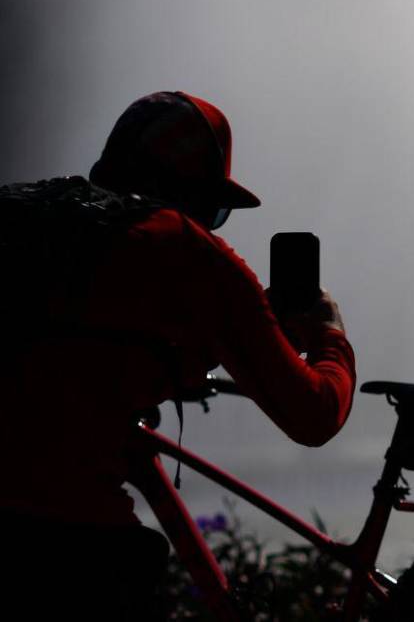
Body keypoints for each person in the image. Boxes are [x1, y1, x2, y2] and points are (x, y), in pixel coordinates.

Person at [0, 90, 356, 621]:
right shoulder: (186, 251)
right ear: (189, 190)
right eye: (214, 209)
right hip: (73, 543)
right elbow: (314, 415)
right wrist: (331, 337)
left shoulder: (23, 220)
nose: (210, 224)